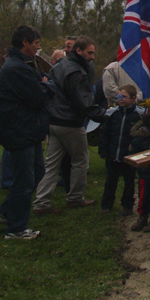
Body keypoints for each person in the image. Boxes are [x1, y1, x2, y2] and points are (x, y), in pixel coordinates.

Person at [33, 35, 107, 213]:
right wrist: (104, 117)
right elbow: (84, 100)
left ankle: (41, 202)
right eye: (89, 53)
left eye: (93, 53)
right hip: (70, 122)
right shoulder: (76, 72)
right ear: (79, 51)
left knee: (51, 164)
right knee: (81, 160)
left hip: (53, 120)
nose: (92, 57)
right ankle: (75, 197)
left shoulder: (59, 66)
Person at [0, 25, 53, 239]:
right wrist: (46, 86)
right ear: (25, 42)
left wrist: (44, 83)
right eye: (36, 43)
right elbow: (39, 98)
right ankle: (16, 228)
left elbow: (43, 83)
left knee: (37, 173)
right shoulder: (16, 68)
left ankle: (5, 211)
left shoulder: (27, 64)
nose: (38, 47)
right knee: (24, 181)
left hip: (29, 130)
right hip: (20, 130)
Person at [98, 85, 142, 215]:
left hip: (129, 156)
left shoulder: (138, 115)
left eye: (124, 97)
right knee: (110, 181)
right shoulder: (112, 114)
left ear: (133, 99)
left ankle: (127, 206)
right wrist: (104, 151)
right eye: (119, 96)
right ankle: (106, 205)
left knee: (129, 182)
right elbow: (105, 134)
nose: (121, 99)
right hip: (113, 154)